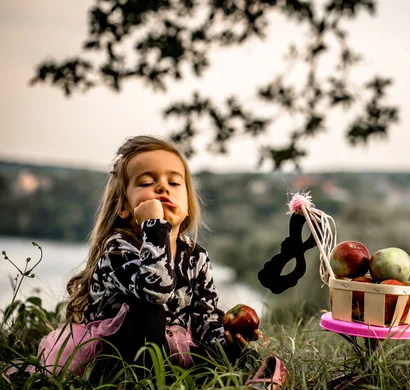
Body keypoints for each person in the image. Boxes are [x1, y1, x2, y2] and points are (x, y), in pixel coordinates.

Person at [34, 135, 258, 377]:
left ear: (188, 206)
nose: (162, 187)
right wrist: (154, 226)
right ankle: (155, 380)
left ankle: (218, 368)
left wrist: (227, 339)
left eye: (173, 183)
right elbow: (155, 290)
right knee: (149, 308)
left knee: (238, 354)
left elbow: (205, 321)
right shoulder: (117, 251)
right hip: (119, 356)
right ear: (123, 207)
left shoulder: (196, 257)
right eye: (146, 182)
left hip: (170, 354)